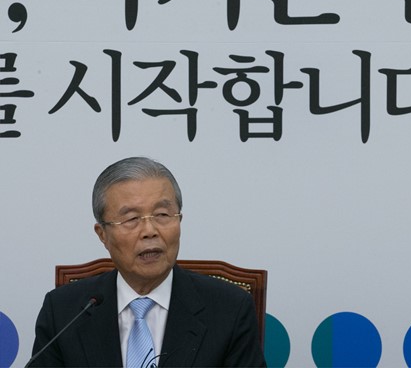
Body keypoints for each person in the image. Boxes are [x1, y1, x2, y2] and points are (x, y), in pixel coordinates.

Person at [30, 156, 266, 367]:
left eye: (162, 215)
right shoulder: (64, 311)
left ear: (179, 221)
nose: (149, 231)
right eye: (131, 218)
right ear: (102, 235)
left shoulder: (229, 309)